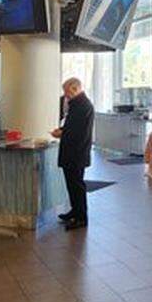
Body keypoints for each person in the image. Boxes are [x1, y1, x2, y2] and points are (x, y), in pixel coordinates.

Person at [52, 77, 94, 229]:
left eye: (67, 91)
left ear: (75, 89)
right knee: (72, 184)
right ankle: (75, 211)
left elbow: (77, 131)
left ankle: (81, 217)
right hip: (75, 152)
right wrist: (63, 130)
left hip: (76, 152)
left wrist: (62, 133)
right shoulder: (79, 104)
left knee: (76, 185)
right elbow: (73, 126)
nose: (65, 95)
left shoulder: (82, 105)